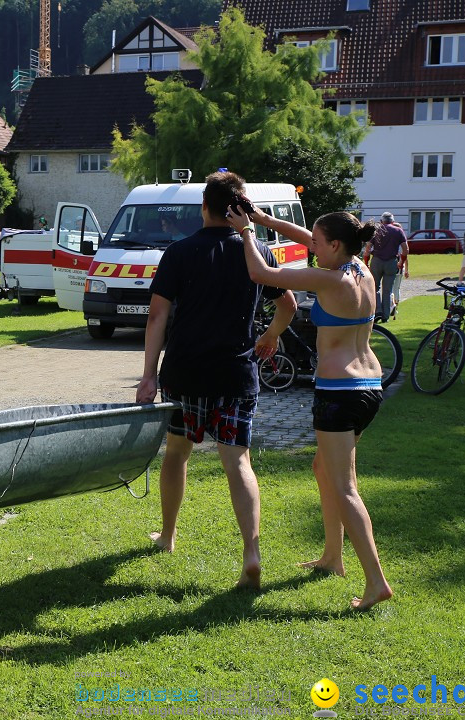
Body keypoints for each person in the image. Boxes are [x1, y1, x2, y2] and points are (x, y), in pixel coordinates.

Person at [227, 203, 394, 611]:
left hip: (339, 392)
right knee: (324, 468)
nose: (310, 246)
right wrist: (267, 221)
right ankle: (332, 558)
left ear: (336, 245)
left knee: (345, 486)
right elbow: (305, 236)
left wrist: (248, 232)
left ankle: (376, 583)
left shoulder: (327, 278)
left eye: (318, 242)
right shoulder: (361, 269)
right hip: (369, 384)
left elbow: (262, 274)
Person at [135, 171, 297, 591]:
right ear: (239, 209)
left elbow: (157, 316)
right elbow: (290, 304)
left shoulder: (179, 252)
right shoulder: (257, 250)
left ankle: (168, 536)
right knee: (237, 461)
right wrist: (272, 334)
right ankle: (252, 553)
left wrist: (148, 375)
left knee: (177, 454)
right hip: (235, 374)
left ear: (203, 206)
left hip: (185, 374)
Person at [361, 212, 405, 322]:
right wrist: (401, 262)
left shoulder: (377, 230)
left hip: (377, 261)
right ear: (393, 221)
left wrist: (366, 262)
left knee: (374, 287)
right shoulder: (398, 231)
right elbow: (406, 249)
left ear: (381, 221)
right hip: (391, 262)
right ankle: (385, 316)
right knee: (388, 290)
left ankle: (377, 311)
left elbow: (368, 249)